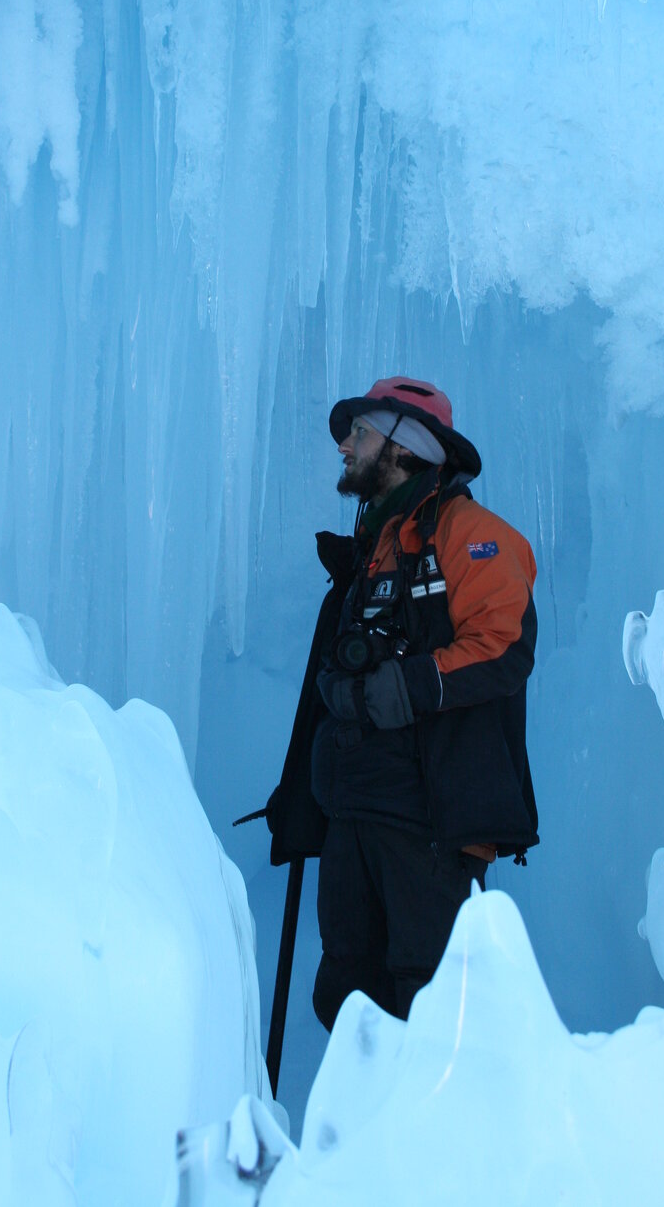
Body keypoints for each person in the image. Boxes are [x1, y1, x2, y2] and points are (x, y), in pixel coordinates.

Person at [266, 375, 538, 1032]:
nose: (345, 448)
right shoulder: (374, 550)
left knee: (430, 1001)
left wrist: (408, 685)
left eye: (359, 434)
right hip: (354, 810)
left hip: (428, 821)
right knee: (348, 992)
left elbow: (502, 646)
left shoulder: (474, 536)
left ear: (404, 446)